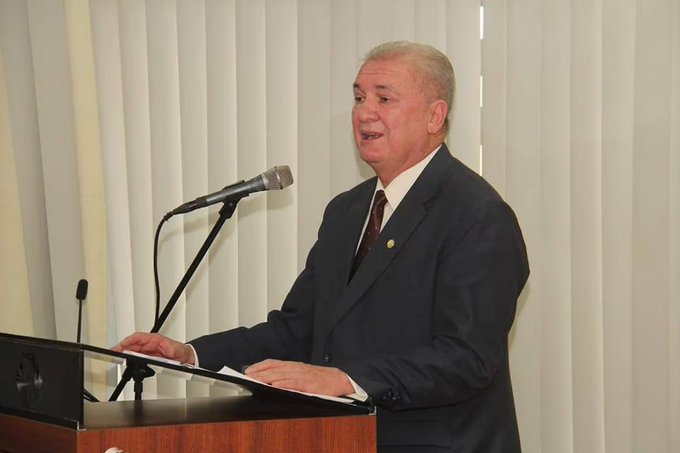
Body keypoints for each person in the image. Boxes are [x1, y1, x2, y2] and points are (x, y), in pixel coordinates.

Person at [114, 41, 529, 452]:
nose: (364, 112)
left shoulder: (476, 214)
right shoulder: (347, 211)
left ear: (435, 116)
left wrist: (343, 378)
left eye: (384, 98)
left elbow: (467, 357)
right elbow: (296, 329)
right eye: (359, 97)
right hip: (345, 440)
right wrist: (189, 353)